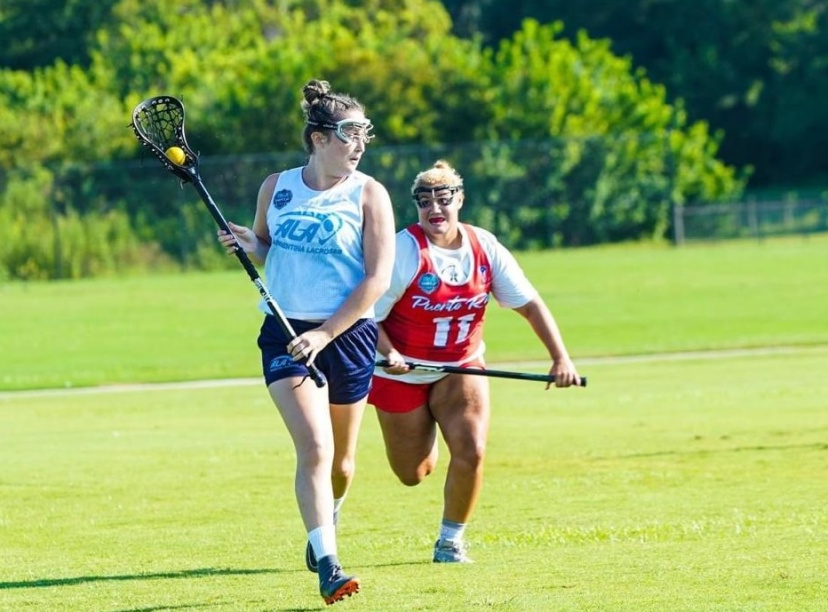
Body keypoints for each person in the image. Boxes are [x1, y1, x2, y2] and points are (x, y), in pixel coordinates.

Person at [217, 79, 395, 605]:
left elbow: (377, 280)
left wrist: (326, 333)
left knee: (341, 464)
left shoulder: (370, 194)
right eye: (349, 133)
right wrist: (249, 243)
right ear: (319, 138)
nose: (359, 142)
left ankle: (327, 517)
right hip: (286, 333)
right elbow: (268, 244)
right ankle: (330, 563)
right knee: (314, 447)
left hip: (347, 336)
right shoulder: (277, 187)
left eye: (364, 132)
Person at [368, 160, 582, 564]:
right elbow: (368, 314)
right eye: (424, 201)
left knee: (472, 450)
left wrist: (560, 358)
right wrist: (388, 353)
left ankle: (450, 542)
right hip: (402, 372)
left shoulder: (484, 246)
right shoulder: (403, 250)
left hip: (461, 366)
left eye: (444, 200)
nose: (434, 208)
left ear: (460, 201)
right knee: (412, 473)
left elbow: (530, 305)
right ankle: (424, 433)